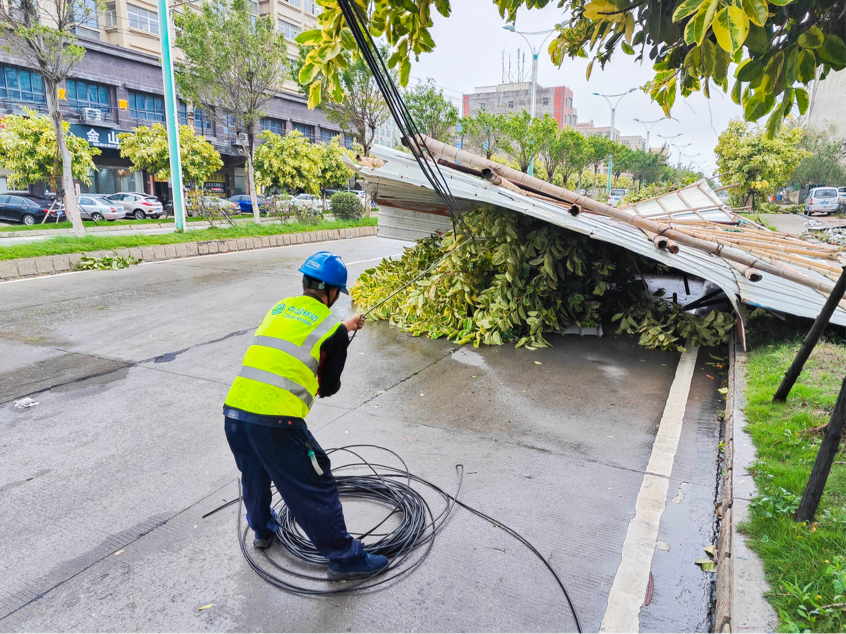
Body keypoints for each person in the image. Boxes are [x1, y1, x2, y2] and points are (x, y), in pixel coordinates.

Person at [223, 251, 389, 580]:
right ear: (332, 293)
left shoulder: (279, 308)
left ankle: (263, 530)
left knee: (254, 475)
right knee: (317, 482)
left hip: (235, 413)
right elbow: (328, 387)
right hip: (277, 422)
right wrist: (340, 340)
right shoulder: (332, 330)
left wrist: (344, 328)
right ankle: (345, 558)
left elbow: (301, 333)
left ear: (304, 283)